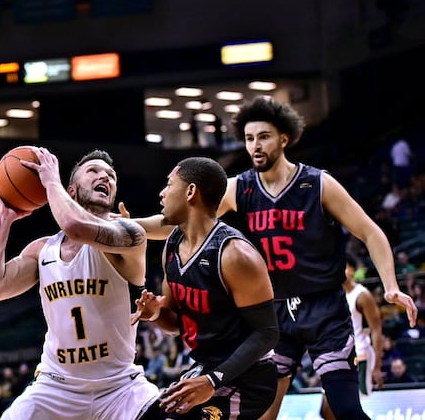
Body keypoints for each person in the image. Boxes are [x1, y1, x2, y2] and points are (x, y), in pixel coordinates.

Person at [122, 96, 418, 419]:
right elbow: (177, 222)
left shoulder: (317, 183)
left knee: (345, 410)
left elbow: (370, 232)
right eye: (249, 139)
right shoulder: (241, 188)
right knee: (262, 413)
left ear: (283, 139)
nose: (254, 146)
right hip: (274, 312)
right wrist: (122, 227)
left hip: (323, 307)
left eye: (263, 137)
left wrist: (390, 285)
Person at [0, 147, 165, 420]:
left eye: (111, 175)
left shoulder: (129, 235)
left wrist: (51, 181)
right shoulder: (43, 250)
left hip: (118, 387)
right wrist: (2, 220)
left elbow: (75, 226)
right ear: (72, 190)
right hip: (56, 386)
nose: (106, 177)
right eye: (94, 171)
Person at [132, 157, 279, 419]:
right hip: (206, 369)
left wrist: (212, 381)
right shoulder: (172, 246)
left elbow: (267, 333)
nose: (162, 193)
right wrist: (155, 313)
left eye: (169, 184)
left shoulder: (235, 254)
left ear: (191, 192)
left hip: (248, 379)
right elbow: (176, 325)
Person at [320, 255, 384, 420]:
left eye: (345, 267)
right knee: (326, 410)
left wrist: (377, 366)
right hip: (335, 354)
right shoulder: (332, 294)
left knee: (352, 409)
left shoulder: (362, 295)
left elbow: (376, 330)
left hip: (360, 356)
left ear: (353, 270)